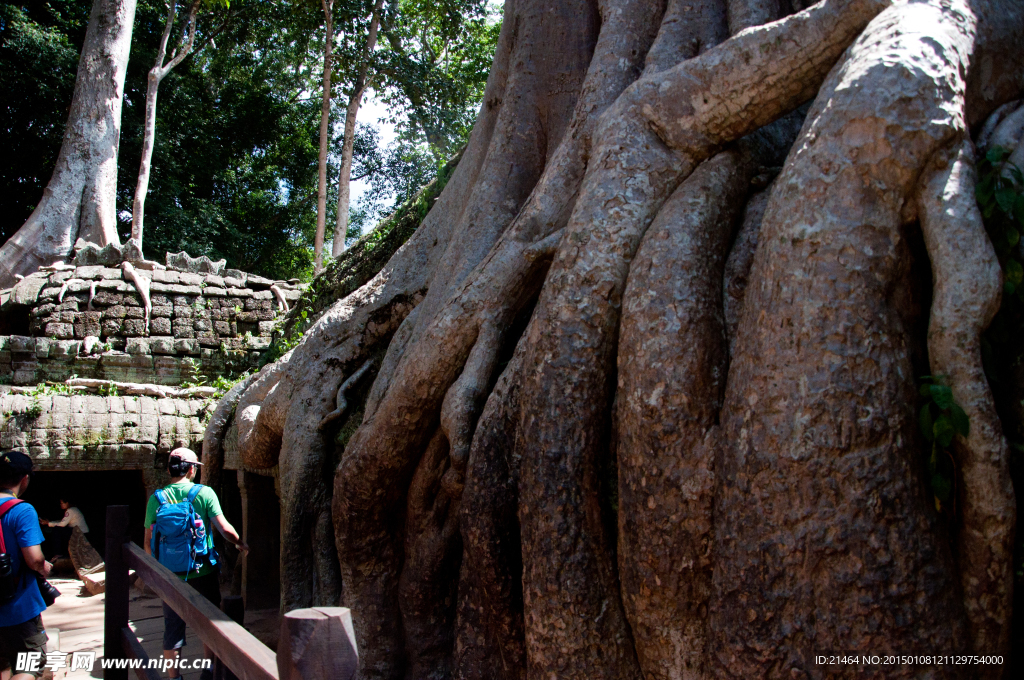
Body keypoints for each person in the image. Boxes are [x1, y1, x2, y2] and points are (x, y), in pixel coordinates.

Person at [144, 448, 247, 680]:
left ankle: (174, 677)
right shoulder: (204, 493)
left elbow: (148, 543)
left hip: (170, 575)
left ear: (170, 468)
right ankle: (208, 670)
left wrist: (158, 571)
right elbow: (225, 529)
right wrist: (241, 543)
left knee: (172, 627)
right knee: (208, 622)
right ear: (191, 468)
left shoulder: (156, 499)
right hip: (202, 571)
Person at [0, 451, 51, 680]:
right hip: (17, 607)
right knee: (28, 663)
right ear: (25, 479)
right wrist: (45, 567)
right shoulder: (21, 510)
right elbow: (34, 559)